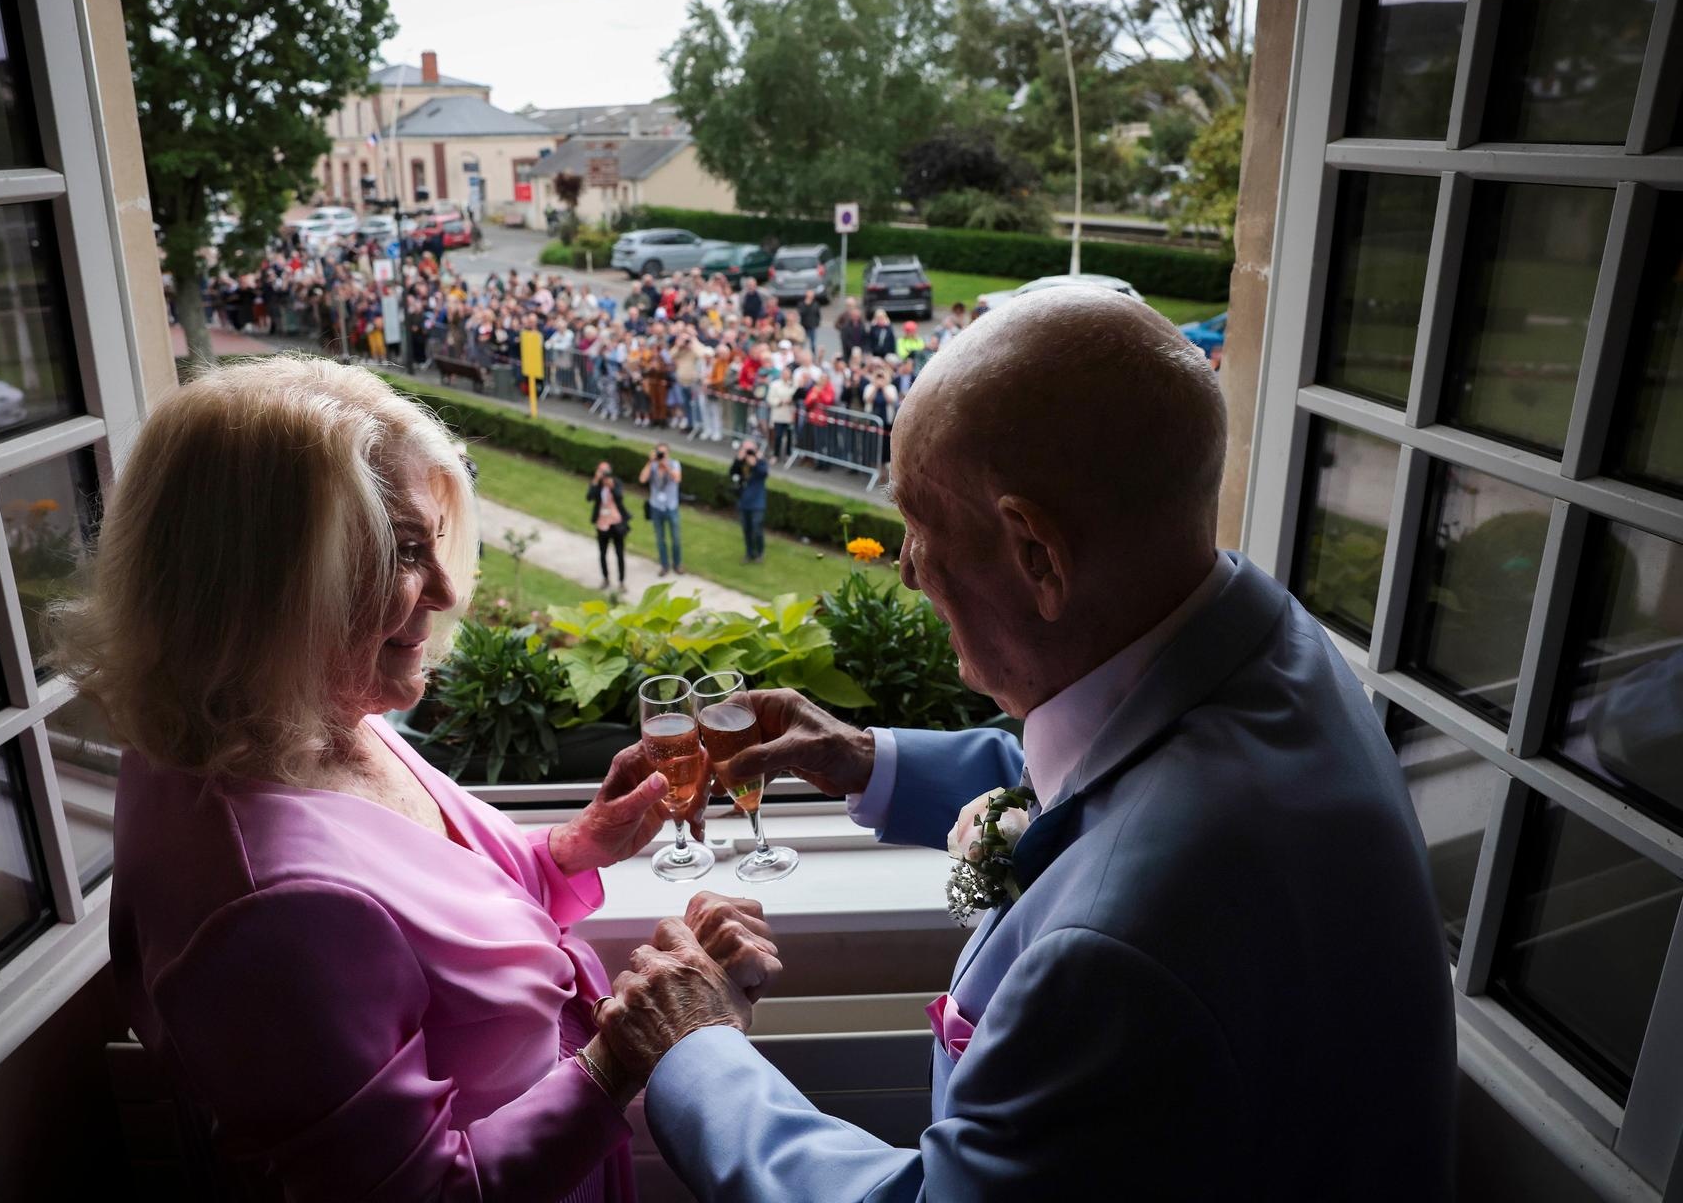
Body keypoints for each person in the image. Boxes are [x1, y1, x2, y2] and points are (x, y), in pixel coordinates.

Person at [593, 291, 1458, 1199]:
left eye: (923, 530)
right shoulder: (1272, 647)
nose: (908, 568)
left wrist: (696, 1051)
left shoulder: (1120, 952)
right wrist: (866, 758)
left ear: (1038, 555)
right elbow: (1111, 781)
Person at [54, 357, 774, 1202]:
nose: (445, 588)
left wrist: (574, 849)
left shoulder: (296, 716)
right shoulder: (268, 912)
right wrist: (625, 1055)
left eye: (436, 540)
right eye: (401, 551)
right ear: (266, 581)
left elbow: (428, 903)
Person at [640, 443, 684, 577]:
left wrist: (666, 467)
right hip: (656, 506)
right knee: (660, 538)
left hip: (671, 507)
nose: (661, 455)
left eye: (663, 453)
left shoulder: (674, 464)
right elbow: (642, 479)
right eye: (659, 452)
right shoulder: (652, 466)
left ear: (668, 453)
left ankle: (677, 564)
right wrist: (650, 462)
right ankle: (664, 565)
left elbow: (677, 478)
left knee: (676, 538)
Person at [587, 461, 631, 592]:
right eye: (601, 471)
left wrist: (611, 486)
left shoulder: (616, 482)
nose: (604, 474)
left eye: (605, 471)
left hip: (615, 522)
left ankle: (621, 581)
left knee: (619, 553)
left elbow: (619, 497)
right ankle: (605, 578)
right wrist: (595, 481)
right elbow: (589, 497)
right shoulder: (597, 485)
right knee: (602, 553)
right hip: (602, 522)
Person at [728, 439, 768, 564]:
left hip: (757, 502)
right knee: (747, 529)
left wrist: (755, 463)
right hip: (744, 501)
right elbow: (732, 473)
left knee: (757, 528)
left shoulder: (760, 462)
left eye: (751, 450)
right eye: (746, 450)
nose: (748, 453)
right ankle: (749, 553)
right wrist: (738, 459)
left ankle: (760, 552)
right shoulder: (741, 462)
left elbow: (764, 473)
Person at [797, 288, 822, 353]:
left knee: (813, 344)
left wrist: (817, 323)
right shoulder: (802, 304)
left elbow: (818, 314)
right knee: (802, 343)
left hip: (812, 326)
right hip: (804, 326)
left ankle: (813, 356)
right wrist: (807, 305)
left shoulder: (816, 304)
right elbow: (801, 313)